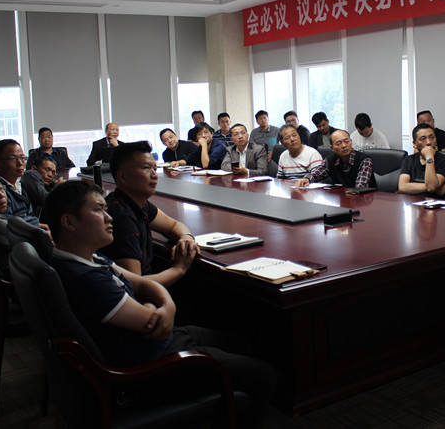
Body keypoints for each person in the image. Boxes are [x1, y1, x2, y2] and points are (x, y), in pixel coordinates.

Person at [45, 180, 276, 428]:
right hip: (149, 368)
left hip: (154, 345)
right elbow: (154, 324)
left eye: (105, 209)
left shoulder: (87, 257)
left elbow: (142, 284)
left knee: (241, 343)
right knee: (264, 375)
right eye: (98, 210)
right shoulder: (86, 279)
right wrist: (162, 307)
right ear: (69, 222)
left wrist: (167, 306)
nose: (109, 217)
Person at [101, 141, 200, 287]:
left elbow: (173, 225)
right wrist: (179, 269)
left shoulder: (134, 202)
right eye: (146, 168)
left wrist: (186, 237)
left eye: (155, 168)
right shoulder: (121, 217)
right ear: (123, 176)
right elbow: (135, 286)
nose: (154, 175)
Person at [296, 129, 375, 189]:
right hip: (342, 200)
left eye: (346, 141)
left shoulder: (364, 160)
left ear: (351, 142)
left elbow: (360, 188)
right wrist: (307, 179)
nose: (344, 145)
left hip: (365, 200)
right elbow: (317, 173)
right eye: (338, 143)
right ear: (332, 148)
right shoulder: (330, 161)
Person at [0, 139, 41, 224]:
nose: (20, 163)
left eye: (22, 158)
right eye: (13, 159)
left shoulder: (19, 184)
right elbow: (7, 224)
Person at [398, 123, 445, 198]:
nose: (428, 142)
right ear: (415, 144)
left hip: (434, 203)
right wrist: (437, 188)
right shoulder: (409, 160)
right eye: (423, 138)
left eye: (432, 137)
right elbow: (402, 187)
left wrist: (429, 157)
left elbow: (431, 187)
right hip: (412, 201)